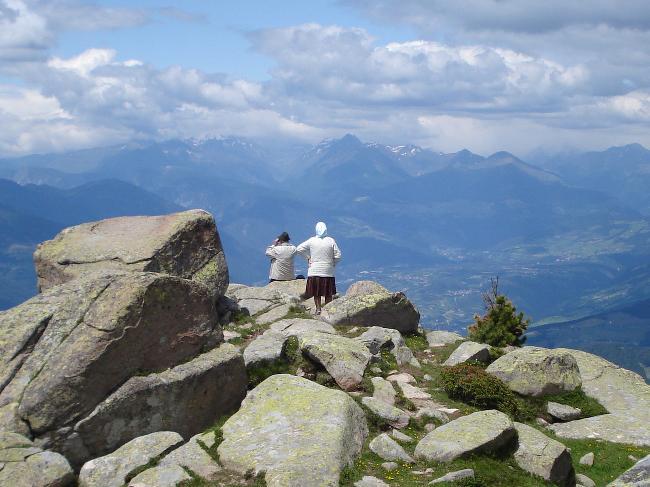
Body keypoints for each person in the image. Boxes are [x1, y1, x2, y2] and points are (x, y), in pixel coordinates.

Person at [296, 221, 342, 315]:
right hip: (327, 271)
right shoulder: (330, 240)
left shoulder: (312, 240)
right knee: (328, 292)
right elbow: (338, 255)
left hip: (314, 270)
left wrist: (308, 258)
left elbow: (299, 249)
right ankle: (328, 310)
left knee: (316, 292)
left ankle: (318, 309)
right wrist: (333, 263)